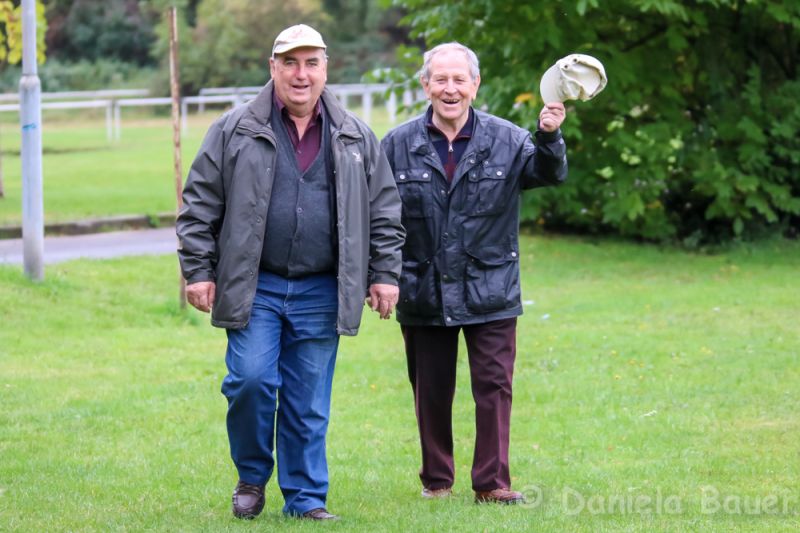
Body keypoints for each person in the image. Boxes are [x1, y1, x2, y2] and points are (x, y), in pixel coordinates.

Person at [176, 24, 404, 521]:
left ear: (326, 69)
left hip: (323, 287)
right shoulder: (233, 130)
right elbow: (199, 205)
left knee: (308, 400)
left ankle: (305, 499)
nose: (301, 75)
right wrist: (198, 270)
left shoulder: (355, 135)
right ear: (273, 67)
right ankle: (252, 475)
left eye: (311, 63)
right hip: (255, 284)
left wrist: (385, 273)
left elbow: (384, 211)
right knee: (250, 381)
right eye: (291, 63)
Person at [380, 42, 568, 504]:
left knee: (494, 388)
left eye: (459, 79)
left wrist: (549, 137)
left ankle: (492, 483)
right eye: (440, 79)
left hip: (492, 287)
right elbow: (379, 216)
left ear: (475, 85)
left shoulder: (508, 139)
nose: (450, 89)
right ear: (425, 85)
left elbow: (549, 174)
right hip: (423, 287)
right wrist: (379, 273)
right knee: (430, 390)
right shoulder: (396, 145)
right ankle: (437, 481)